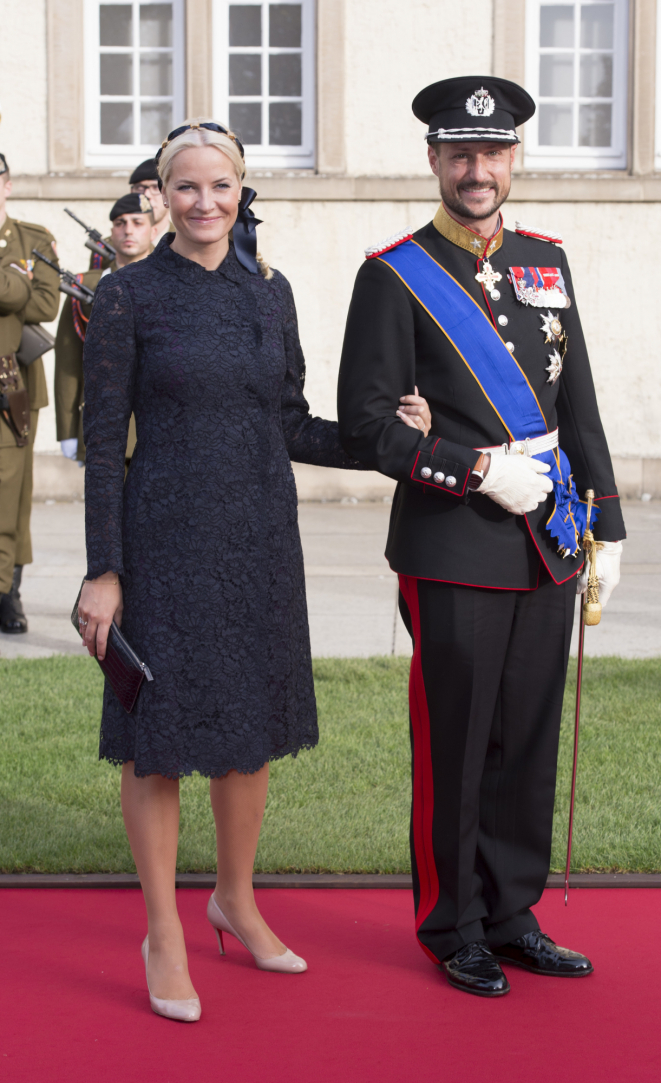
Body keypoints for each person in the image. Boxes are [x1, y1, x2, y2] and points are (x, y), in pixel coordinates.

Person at [76, 119, 431, 1022]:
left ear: (242, 193)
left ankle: (234, 897)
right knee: (155, 738)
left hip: (259, 537)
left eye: (219, 186)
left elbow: (290, 420)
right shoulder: (126, 297)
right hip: (160, 537)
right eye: (184, 187)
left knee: (248, 725)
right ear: (160, 194)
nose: (203, 203)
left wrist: (385, 439)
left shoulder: (270, 294)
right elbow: (101, 447)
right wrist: (104, 570)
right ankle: (163, 931)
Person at [337, 77, 626, 998]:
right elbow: (367, 424)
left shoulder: (548, 260)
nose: (477, 169)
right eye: (460, 153)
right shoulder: (393, 274)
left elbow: (576, 404)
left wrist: (607, 525)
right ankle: (450, 923)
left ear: (513, 161)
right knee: (456, 741)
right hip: (452, 539)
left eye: (492, 153)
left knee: (526, 736)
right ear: (433, 160)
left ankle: (511, 913)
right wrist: (471, 467)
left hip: (547, 535)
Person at [0, 152, 60, 634]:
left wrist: (17, 296)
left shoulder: (32, 239)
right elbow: (20, 295)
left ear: (8, 185)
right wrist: (11, 287)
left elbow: (44, 301)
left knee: (12, 495)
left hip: (14, 384)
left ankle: (7, 593)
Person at [55, 193, 157, 466]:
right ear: (111, 232)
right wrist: (68, 430)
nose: (128, 230)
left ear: (154, 230)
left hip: (160, 429)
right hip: (104, 427)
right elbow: (68, 362)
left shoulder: (171, 282)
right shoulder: (87, 285)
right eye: (121, 223)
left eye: (138, 222)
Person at [129, 158, 171, 240]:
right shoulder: (111, 247)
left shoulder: (189, 245)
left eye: (156, 187)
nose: (146, 195)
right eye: (140, 188)